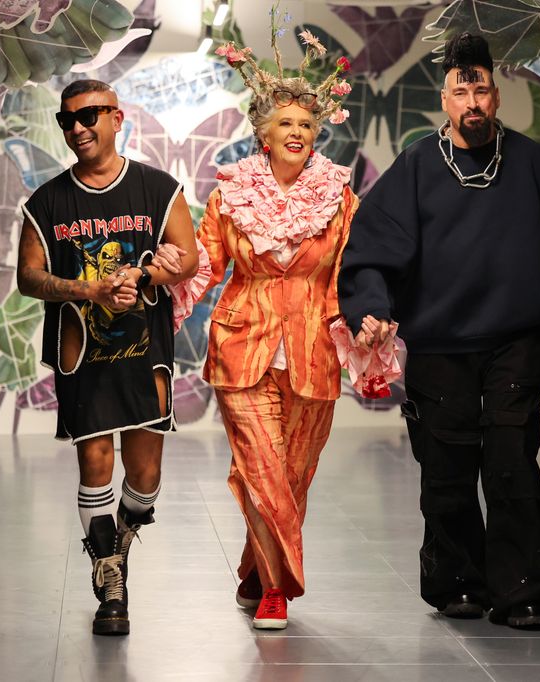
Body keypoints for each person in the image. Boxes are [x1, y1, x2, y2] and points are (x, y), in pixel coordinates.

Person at [337, 32, 540, 629]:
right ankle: (458, 584)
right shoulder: (416, 167)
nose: (472, 101)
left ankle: (525, 593)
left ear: (497, 96)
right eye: (461, 91)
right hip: (439, 344)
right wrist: (370, 310)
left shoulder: (531, 162)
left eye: (481, 88)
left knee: (511, 464)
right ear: (445, 99)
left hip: (515, 341)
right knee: (447, 469)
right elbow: (371, 252)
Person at [17, 79, 198, 636]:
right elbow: (27, 278)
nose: (77, 128)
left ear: (117, 118)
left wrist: (144, 274)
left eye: (89, 115)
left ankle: (116, 543)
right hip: (84, 355)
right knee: (95, 463)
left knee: (144, 477)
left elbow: (188, 259)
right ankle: (109, 579)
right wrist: (90, 290)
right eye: (66, 119)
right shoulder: (47, 202)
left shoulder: (157, 187)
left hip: (146, 353)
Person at [195, 30, 360, 630]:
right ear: (264, 132)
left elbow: (352, 275)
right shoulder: (231, 194)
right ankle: (277, 591)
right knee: (263, 465)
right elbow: (206, 265)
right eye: (286, 122)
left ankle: (253, 570)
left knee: (291, 476)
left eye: (308, 125)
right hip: (242, 345)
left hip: (315, 350)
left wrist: (368, 334)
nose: (298, 132)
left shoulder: (339, 199)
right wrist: (160, 284)